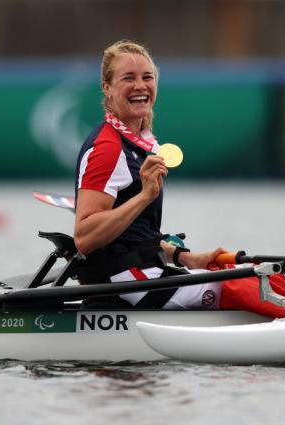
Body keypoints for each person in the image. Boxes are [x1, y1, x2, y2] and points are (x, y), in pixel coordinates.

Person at [73, 40, 225, 309]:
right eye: (128, 78)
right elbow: (85, 237)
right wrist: (144, 196)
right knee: (244, 284)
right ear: (107, 88)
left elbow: (133, 236)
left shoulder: (140, 141)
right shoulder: (107, 147)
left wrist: (184, 258)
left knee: (267, 277)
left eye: (147, 77)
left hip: (140, 274)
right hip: (125, 281)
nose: (140, 86)